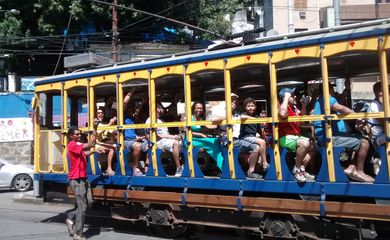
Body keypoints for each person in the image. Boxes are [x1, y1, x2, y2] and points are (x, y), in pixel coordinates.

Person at [313, 84, 374, 182]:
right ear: (328, 89)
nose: (333, 90)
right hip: (328, 137)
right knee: (364, 142)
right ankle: (359, 171)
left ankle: (352, 168)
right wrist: (356, 115)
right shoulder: (327, 98)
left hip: (327, 135)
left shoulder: (320, 100)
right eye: (332, 88)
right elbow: (339, 107)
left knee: (359, 138)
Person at [213, 93, 263, 179]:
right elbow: (213, 119)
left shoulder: (236, 114)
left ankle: (249, 170)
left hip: (238, 139)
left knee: (259, 146)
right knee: (256, 148)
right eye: (232, 100)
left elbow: (243, 117)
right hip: (228, 140)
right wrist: (227, 116)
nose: (234, 102)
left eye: (235, 100)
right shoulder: (221, 111)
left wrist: (257, 120)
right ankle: (249, 171)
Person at [65, 120, 98, 240]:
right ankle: (77, 234)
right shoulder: (73, 144)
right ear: (71, 136)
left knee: (88, 203)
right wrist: (95, 128)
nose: (79, 136)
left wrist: (94, 151)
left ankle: (70, 217)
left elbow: (86, 153)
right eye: (77, 134)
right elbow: (90, 143)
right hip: (76, 179)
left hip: (83, 178)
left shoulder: (78, 146)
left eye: (79, 134)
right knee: (82, 207)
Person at [278, 88, 315, 182]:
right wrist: (286, 97)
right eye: (292, 95)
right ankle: (297, 169)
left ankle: (302, 169)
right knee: (305, 143)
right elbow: (282, 114)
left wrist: (304, 105)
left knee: (314, 146)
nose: (295, 96)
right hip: (284, 137)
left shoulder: (294, 108)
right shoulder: (282, 106)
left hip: (295, 137)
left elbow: (301, 119)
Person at [145, 102, 183, 177]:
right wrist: (171, 137)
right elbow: (152, 136)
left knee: (184, 143)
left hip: (165, 141)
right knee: (175, 143)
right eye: (159, 109)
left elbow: (166, 134)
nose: (160, 111)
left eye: (160, 109)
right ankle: (179, 168)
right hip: (157, 142)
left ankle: (184, 165)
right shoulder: (150, 120)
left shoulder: (160, 120)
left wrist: (176, 136)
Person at [191, 101, 224, 170]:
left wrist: (219, 126)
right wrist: (201, 134)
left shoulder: (200, 119)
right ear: (194, 109)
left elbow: (209, 126)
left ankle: (219, 164)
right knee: (212, 143)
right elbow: (186, 132)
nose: (199, 110)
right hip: (190, 140)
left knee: (216, 140)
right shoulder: (188, 118)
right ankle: (220, 166)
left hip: (198, 140)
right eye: (198, 108)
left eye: (201, 108)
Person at [239, 98, 269, 173]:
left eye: (252, 106)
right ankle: (265, 163)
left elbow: (259, 129)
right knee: (262, 142)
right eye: (248, 106)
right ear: (245, 108)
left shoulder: (257, 117)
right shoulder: (244, 114)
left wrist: (264, 137)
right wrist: (253, 119)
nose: (250, 107)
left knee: (261, 146)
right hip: (245, 137)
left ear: (255, 107)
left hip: (252, 137)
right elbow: (242, 117)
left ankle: (255, 168)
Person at [123, 89, 149, 176]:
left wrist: (142, 102)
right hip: (126, 140)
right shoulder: (123, 116)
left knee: (150, 144)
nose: (131, 109)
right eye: (129, 107)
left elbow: (137, 112)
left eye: (132, 108)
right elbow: (124, 104)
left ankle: (145, 166)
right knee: (137, 146)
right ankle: (135, 167)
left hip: (134, 139)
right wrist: (131, 92)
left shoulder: (133, 118)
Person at [94, 106, 118, 176]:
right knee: (112, 148)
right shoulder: (95, 123)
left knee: (117, 146)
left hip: (104, 143)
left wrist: (114, 125)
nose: (100, 114)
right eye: (98, 113)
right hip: (98, 144)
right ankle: (109, 169)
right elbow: (98, 132)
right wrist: (109, 124)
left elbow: (112, 132)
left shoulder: (104, 123)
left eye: (102, 113)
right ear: (96, 114)